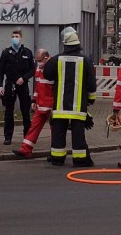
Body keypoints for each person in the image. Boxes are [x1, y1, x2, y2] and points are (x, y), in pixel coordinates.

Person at [42, 27, 97, 167]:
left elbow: (47, 74)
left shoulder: (56, 59)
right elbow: (91, 83)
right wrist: (91, 99)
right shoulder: (85, 60)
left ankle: (57, 159)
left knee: (58, 134)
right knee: (78, 136)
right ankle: (79, 160)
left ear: (65, 44)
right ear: (78, 44)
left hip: (60, 107)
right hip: (78, 108)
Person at [0, 29, 35, 145]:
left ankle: (27, 137)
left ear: (21, 38)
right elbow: (0, 70)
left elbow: (32, 69)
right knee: (9, 112)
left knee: (25, 112)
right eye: (13, 36)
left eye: (17, 36)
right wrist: (0, 86)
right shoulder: (6, 53)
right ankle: (8, 137)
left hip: (23, 85)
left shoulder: (27, 52)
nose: (15, 38)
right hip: (10, 84)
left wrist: (23, 78)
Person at [14, 48, 53, 158]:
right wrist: (34, 100)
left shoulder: (53, 67)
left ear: (46, 58)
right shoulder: (39, 68)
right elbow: (38, 86)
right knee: (33, 127)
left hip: (51, 106)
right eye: (36, 61)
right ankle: (25, 150)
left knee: (55, 130)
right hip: (40, 104)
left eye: (39, 60)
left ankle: (55, 152)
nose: (38, 63)